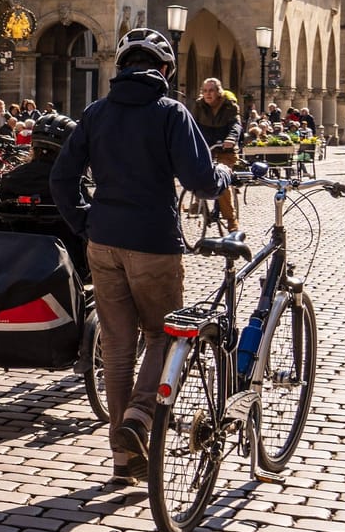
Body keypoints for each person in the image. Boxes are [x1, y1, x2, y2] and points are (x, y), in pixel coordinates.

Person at [50, 28, 230, 487]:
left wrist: (84, 222)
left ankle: (122, 458)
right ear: (164, 71)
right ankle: (139, 414)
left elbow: (62, 177)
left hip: (103, 241)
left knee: (116, 347)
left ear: (122, 65)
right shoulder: (170, 112)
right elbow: (202, 180)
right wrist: (225, 173)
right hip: (153, 241)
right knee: (163, 334)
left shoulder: (96, 112)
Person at [189, 78, 242, 231]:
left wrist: (231, 139)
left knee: (222, 179)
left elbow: (235, 125)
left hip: (225, 148)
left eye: (211, 90)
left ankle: (231, 220)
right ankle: (198, 200)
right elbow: (193, 125)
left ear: (219, 92)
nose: (208, 94)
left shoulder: (229, 105)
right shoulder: (199, 106)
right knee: (196, 171)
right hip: (207, 147)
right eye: (205, 91)